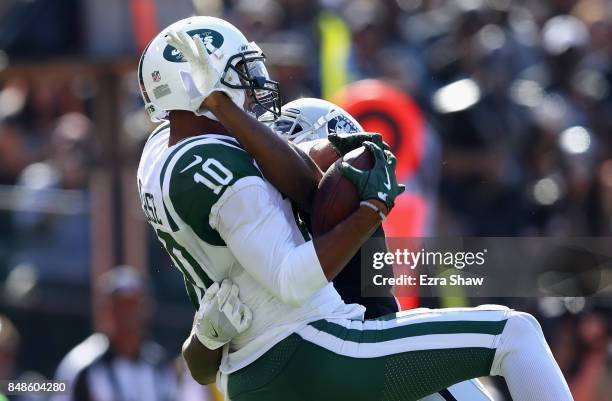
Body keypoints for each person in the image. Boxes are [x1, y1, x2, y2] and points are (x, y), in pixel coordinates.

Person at [136, 16, 574, 401]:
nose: (255, 95)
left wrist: (205, 337)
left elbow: (202, 362)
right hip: (322, 353)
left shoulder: (160, 155)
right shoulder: (221, 170)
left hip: (250, 377)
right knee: (515, 333)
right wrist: (368, 212)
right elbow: (297, 276)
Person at [270, 97, 495, 401]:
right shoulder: (334, 218)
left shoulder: (270, 218)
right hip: (364, 356)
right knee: (516, 332)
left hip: (317, 366)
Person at [52, 266, 177, 401]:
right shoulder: (81, 365)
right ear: (103, 312)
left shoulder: (159, 363)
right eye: (119, 308)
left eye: (133, 307)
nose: (127, 317)